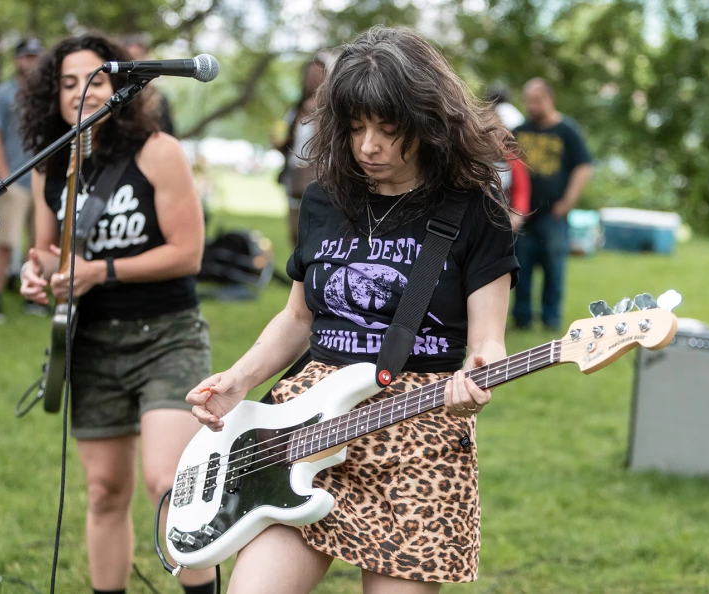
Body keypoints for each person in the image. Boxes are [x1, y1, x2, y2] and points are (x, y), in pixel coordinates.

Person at [187, 26, 519, 594]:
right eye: (356, 127)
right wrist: (240, 379)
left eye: (389, 129)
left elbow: (489, 340)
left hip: (418, 440)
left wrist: (479, 371)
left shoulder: (474, 210)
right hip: (307, 431)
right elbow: (299, 317)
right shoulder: (326, 198)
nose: (368, 146)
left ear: (428, 122)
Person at [17, 33, 215, 594]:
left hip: (166, 337)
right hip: (92, 341)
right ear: (51, 95)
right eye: (68, 83)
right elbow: (50, 252)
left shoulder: (158, 151)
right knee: (104, 491)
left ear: (122, 87)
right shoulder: (49, 165)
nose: (81, 93)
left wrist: (99, 271)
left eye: (96, 80)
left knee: (167, 482)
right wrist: (37, 273)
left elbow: (188, 253)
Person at [511, 78, 593, 331]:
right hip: (523, 215)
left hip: (553, 215)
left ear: (550, 99)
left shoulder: (567, 131)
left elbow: (584, 167)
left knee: (553, 268)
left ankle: (551, 319)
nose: (531, 106)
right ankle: (522, 319)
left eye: (536, 101)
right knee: (520, 268)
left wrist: (567, 202)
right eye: (528, 101)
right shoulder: (519, 131)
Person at [0, 37, 44, 322]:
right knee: (5, 241)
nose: (32, 61)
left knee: (39, 243)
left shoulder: (47, 94)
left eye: (36, 56)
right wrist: (4, 176)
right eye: (27, 56)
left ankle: (33, 298)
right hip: (14, 181)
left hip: (42, 181)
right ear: (17, 60)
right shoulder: (2, 95)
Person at [276, 55, 328, 247]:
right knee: (295, 232)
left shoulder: (330, 110)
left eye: (318, 74)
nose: (312, 78)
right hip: (295, 177)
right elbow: (288, 142)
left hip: (320, 178)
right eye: (310, 74)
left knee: (316, 232)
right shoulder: (296, 110)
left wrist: (316, 114)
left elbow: (325, 143)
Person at [485, 89, 530, 231]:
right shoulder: (472, 157)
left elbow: (521, 190)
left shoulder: (512, 159)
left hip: (504, 222)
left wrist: (516, 217)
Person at [123, 33, 176, 137]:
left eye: (138, 56)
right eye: (129, 57)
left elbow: (169, 132)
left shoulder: (158, 97)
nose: (135, 62)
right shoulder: (117, 93)